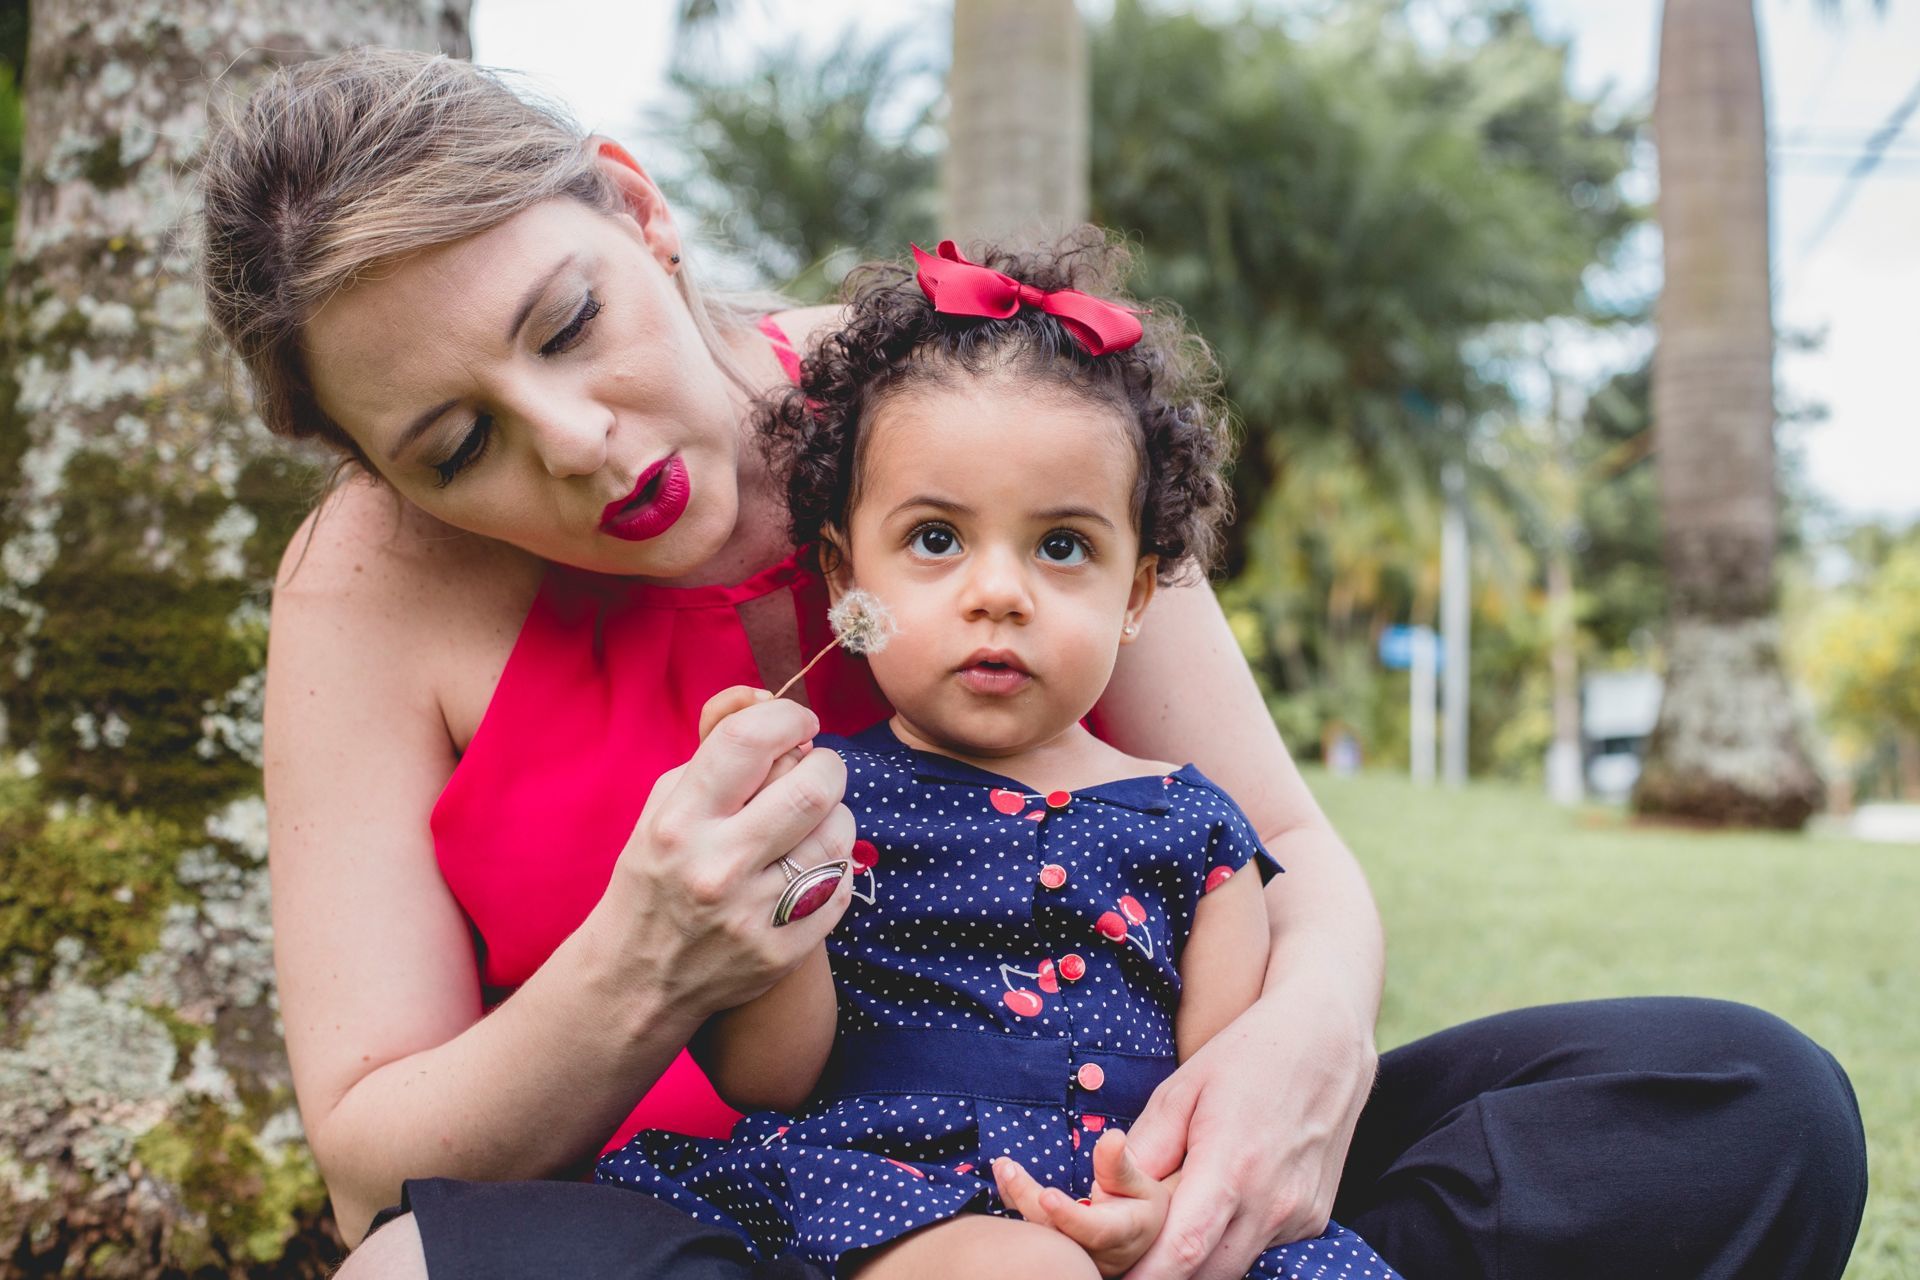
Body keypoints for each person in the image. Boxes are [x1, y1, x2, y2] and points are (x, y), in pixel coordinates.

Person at [195, 47, 1867, 1280]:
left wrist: (1296, 1061)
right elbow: (371, 1174)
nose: (571, 444)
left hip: (1125, 1181)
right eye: (452, 441)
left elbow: (1287, 853)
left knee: (1740, 1100)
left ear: (636, 210)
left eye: (566, 323)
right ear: (375, 470)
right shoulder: (371, 586)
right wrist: (645, 965)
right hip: (724, 1232)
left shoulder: (975, 399)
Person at [595, 237, 1400, 1280]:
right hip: (894, 1190)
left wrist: (1152, 1205)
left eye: (1062, 546)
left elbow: (1226, 1088)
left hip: (1132, 1189)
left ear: (1139, 596)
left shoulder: (1195, 828)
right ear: (848, 575)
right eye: (936, 539)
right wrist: (777, 846)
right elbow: (771, 1075)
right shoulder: (833, 793)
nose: (998, 591)